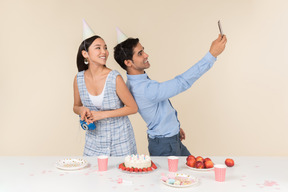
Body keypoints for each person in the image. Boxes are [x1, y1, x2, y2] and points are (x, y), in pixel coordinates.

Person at [114, 28, 227, 156]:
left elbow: (157, 109)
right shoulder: (144, 89)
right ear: (128, 62)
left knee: (189, 172)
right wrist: (211, 55)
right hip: (164, 145)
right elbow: (182, 82)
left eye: (143, 50)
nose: (146, 55)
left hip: (170, 139)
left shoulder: (137, 82)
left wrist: (173, 127)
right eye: (140, 53)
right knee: (176, 175)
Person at [73, 20, 138, 156]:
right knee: (91, 175)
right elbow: (76, 106)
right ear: (85, 54)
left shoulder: (114, 77)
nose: (104, 52)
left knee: (122, 176)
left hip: (121, 141)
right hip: (94, 142)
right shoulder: (78, 79)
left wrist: (101, 115)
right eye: (98, 48)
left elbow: (132, 108)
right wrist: (83, 110)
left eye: (105, 47)